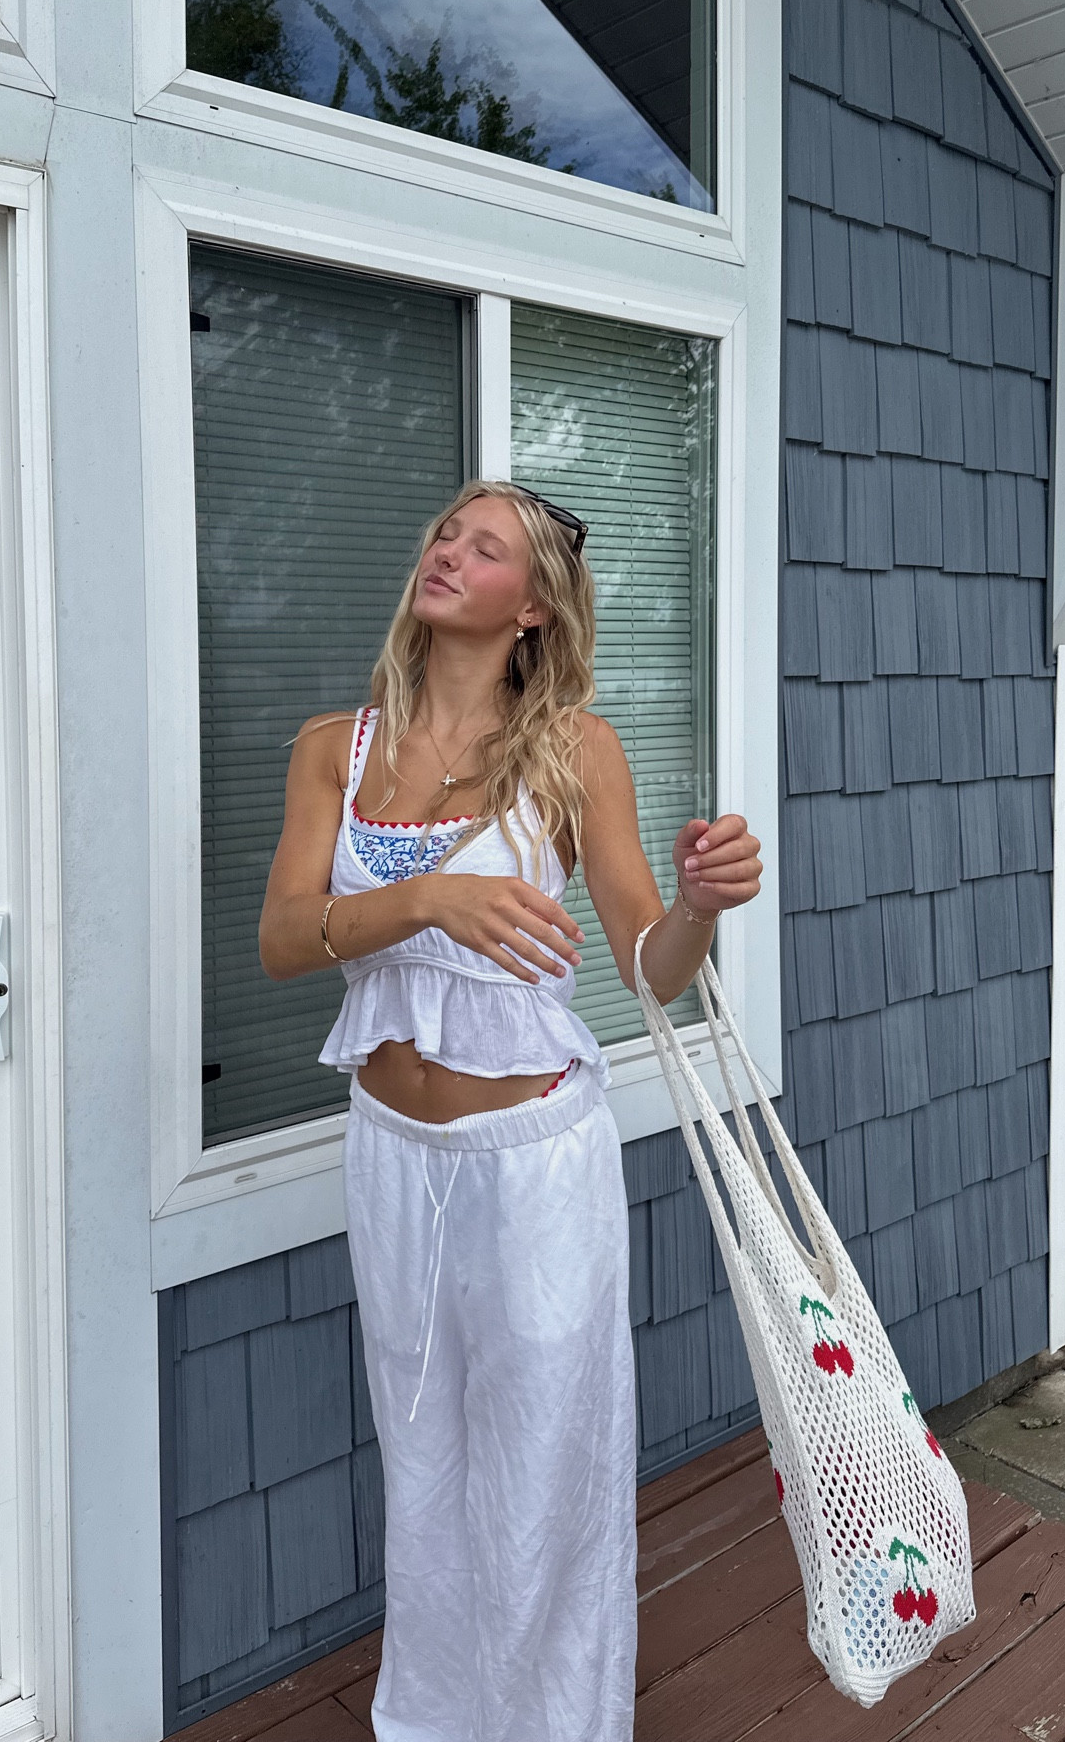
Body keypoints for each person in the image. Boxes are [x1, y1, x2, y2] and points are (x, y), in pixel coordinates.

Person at [258, 480, 763, 1742]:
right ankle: (430, 1721)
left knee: (544, 1466)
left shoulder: (576, 750)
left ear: (530, 606)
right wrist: (428, 898)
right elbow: (280, 941)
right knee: (420, 1452)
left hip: (534, 1157)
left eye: (484, 547)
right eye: (442, 530)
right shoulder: (338, 746)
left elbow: (648, 961)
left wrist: (701, 904)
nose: (447, 550)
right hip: (391, 1149)